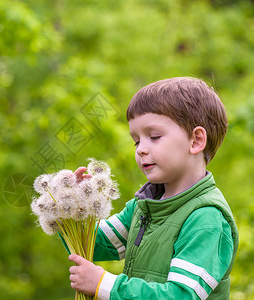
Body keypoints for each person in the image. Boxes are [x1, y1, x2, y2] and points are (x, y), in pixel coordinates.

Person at [68, 77, 239, 300]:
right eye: (136, 141)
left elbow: (180, 296)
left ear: (196, 140)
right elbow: (97, 245)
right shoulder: (145, 205)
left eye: (154, 137)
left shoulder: (207, 219)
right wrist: (71, 205)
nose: (141, 150)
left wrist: (104, 284)